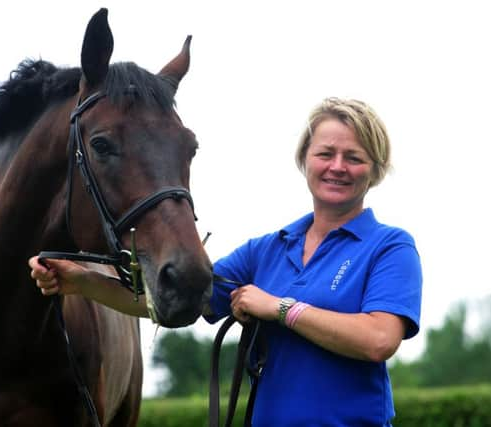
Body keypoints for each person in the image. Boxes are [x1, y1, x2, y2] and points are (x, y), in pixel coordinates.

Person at [29, 97, 422, 426]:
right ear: (305, 159)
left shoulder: (390, 248)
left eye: (354, 157)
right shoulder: (267, 250)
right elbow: (174, 300)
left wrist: (278, 308)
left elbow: (378, 340)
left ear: (375, 169)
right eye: (326, 153)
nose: (337, 166)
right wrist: (81, 282)